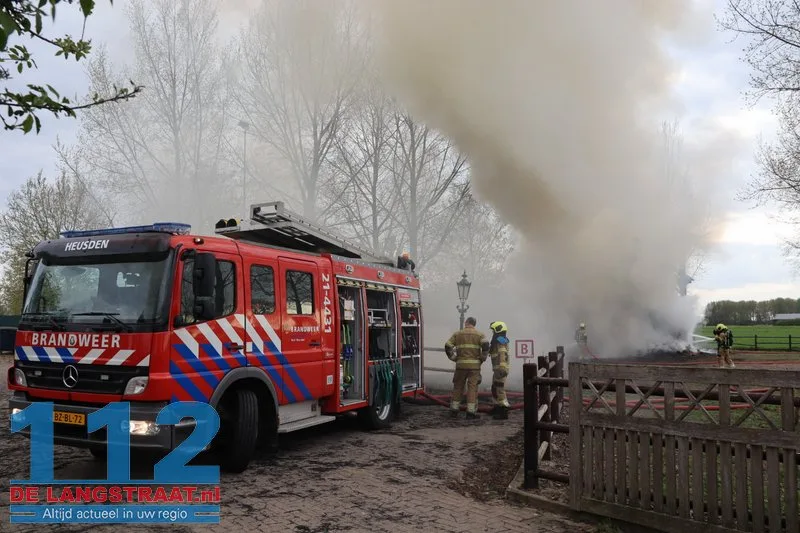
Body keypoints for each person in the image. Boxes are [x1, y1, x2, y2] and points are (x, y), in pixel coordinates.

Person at [445, 316, 490, 419]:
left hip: (460, 366)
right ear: (474, 324)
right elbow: (486, 346)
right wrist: (482, 358)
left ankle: (454, 410)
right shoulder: (480, 334)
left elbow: (448, 346)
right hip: (474, 367)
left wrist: (454, 358)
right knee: (472, 388)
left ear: (466, 322)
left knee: (458, 387)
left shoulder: (457, 334)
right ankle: (470, 412)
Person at [488, 321, 511, 420]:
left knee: (500, 390)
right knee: (494, 389)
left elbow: (502, 354)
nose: (493, 332)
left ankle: (503, 412)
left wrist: (502, 368)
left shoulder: (500, 341)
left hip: (500, 370)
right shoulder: (498, 340)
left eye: (493, 330)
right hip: (497, 370)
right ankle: (497, 407)